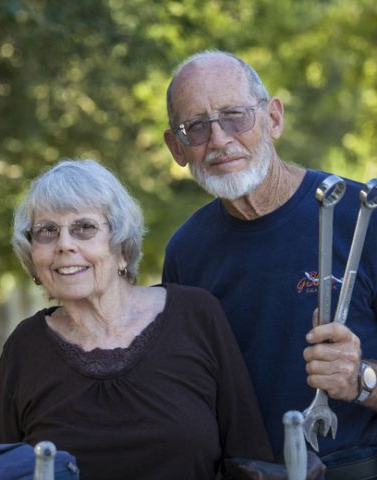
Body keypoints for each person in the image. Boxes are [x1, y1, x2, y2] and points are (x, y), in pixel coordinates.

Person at [0, 158, 274, 480]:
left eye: (84, 228)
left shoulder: (196, 316)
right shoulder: (25, 347)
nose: (64, 244)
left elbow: (251, 461)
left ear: (121, 249)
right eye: (47, 231)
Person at [162, 50, 377, 477]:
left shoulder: (363, 219)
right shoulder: (185, 253)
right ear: (176, 147)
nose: (219, 139)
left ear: (273, 118)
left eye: (235, 116)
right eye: (196, 127)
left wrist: (360, 381)